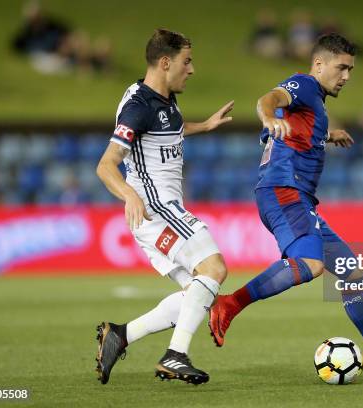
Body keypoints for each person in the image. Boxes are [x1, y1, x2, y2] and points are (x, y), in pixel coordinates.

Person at [209, 33, 363, 379]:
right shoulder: (304, 84)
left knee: (349, 270)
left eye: (350, 70)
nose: (346, 76)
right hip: (284, 191)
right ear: (319, 64)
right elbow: (269, 99)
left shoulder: (316, 108)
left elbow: (298, 129)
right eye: (341, 67)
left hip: (296, 197)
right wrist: (268, 117)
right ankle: (229, 304)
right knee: (311, 265)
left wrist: (328, 134)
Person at [94, 28, 234, 385]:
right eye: (187, 62)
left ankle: (120, 336)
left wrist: (205, 126)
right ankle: (175, 356)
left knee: (196, 296)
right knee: (214, 268)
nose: (192, 69)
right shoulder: (138, 107)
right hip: (156, 208)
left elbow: (168, 129)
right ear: (165, 62)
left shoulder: (162, 99)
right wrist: (130, 195)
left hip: (157, 213)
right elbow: (106, 164)